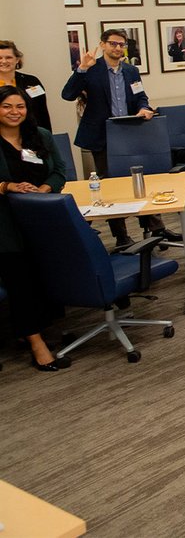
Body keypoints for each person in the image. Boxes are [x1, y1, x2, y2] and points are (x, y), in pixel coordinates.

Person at [62, 29, 174, 248]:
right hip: (102, 136)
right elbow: (67, 95)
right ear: (102, 44)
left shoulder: (131, 71)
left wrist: (144, 108)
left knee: (141, 181)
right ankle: (121, 236)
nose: (117, 48)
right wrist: (82, 68)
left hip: (130, 133)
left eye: (121, 44)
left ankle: (156, 228)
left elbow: (140, 96)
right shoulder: (91, 70)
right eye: (113, 43)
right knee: (110, 187)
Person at [0, 86, 69, 371]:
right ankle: (36, 343)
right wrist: (6, 186)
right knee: (20, 280)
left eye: (20, 106)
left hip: (40, 218)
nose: (15, 112)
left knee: (43, 276)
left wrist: (44, 189)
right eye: (7, 106)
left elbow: (59, 170)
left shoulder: (39, 136)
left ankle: (34, 329)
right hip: (4, 224)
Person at [0, 40, 52, 130]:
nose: (4, 61)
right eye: (0, 58)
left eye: (8, 57)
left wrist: (45, 139)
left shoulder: (32, 82)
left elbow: (42, 113)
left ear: (17, 60)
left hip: (30, 134)